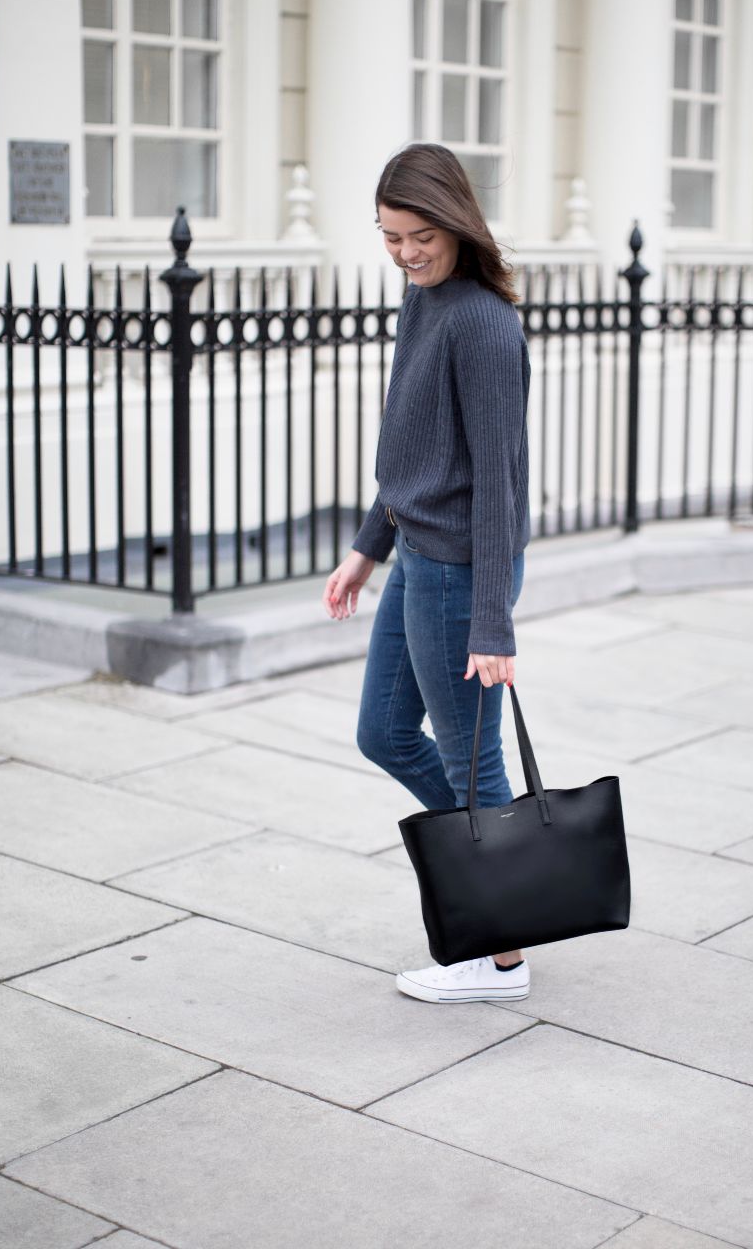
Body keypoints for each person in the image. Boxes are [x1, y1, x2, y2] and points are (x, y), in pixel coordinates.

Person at [321, 142, 531, 1004]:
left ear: (454, 221)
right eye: (388, 236)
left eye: (418, 235)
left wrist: (492, 621)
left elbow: (498, 483)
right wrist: (367, 547)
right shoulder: (425, 302)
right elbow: (410, 454)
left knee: (476, 759)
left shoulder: (482, 323)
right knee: (384, 732)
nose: (405, 252)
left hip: (459, 574)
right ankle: (501, 876)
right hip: (416, 555)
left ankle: (499, 951)